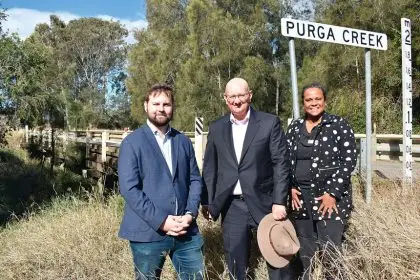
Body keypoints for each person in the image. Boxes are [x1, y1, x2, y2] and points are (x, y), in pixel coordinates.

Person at [201, 77, 292, 280]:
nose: (237, 100)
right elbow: (210, 167)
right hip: (232, 207)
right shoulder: (216, 128)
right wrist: (206, 201)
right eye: (232, 96)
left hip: (266, 204)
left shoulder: (269, 123)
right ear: (225, 99)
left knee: (277, 258)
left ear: (249, 95)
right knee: (236, 264)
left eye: (241, 95)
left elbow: (281, 164)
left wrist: (279, 201)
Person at [118, 84, 204, 280]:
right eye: (156, 103)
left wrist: (190, 214)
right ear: (146, 106)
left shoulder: (182, 141)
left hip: (186, 231)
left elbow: (194, 180)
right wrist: (162, 221)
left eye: (166, 104)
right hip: (148, 233)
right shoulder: (132, 143)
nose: (161, 108)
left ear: (172, 107)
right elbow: (130, 189)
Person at [285, 82, 357, 279]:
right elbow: (286, 159)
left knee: (330, 250)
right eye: (309, 99)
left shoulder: (338, 125)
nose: (313, 103)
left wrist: (332, 193)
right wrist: (290, 186)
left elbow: (349, 160)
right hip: (301, 199)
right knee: (305, 249)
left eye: (318, 99)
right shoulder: (295, 127)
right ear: (303, 102)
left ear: (325, 101)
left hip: (329, 200)